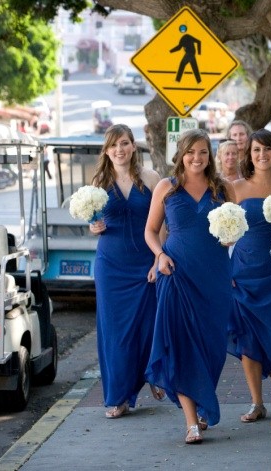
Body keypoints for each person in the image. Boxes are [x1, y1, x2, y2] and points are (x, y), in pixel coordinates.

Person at [144, 128, 235, 444]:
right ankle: (191, 421)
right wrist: (159, 257)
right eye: (191, 152)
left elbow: (235, 230)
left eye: (203, 152)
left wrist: (232, 238)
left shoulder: (222, 189)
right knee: (182, 345)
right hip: (177, 273)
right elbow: (151, 231)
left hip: (214, 277)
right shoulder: (166, 188)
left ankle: (202, 400)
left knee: (211, 348)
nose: (197, 158)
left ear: (210, 156)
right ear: (180, 155)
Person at [88, 124, 163, 419]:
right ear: (107, 151)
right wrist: (93, 227)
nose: (119, 150)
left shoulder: (152, 178)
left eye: (124, 143)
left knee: (148, 325)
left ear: (133, 146)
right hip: (111, 264)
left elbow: (162, 224)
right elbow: (92, 222)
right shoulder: (98, 182)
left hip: (145, 262)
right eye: (113, 145)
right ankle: (117, 397)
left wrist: (159, 258)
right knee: (115, 331)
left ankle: (151, 373)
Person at [228, 129, 271, 423]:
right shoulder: (236, 188)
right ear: (249, 154)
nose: (262, 155)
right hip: (243, 267)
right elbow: (222, 230)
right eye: (256, 150)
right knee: (248, 338)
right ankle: (257, 403)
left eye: (267, 150)